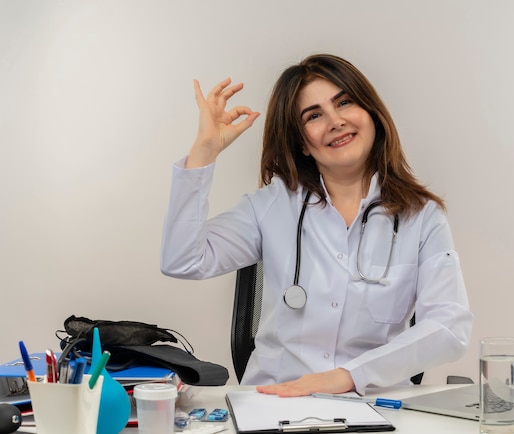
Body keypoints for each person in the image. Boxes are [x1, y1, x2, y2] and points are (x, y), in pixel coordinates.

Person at [161, 53, 473, 396]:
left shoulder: (421, 216)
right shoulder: (272, 205)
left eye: (345, 102)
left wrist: (350, 375)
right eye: (314, 116)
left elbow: (449, 326)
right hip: (274, 403)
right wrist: (204, 151)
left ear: (371, 114)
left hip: (371, 404)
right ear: (302, 143)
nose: (335, 121)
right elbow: (183, 260)